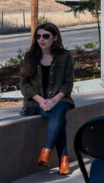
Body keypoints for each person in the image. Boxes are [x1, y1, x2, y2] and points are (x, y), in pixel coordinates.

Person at [18, 22, 76, 175]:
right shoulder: (29, 57)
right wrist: (42, 101)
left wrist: (55, 99)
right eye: (38, 36)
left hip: (60, 98)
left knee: (58, 110)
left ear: (55, 37)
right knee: (59, 119)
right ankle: (63, 158)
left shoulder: (64, 56)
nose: (41, 39)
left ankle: (46, 151)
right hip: (36, 100)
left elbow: (68, 83)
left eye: (45, 36)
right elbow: (25, 86)